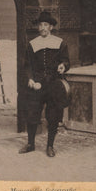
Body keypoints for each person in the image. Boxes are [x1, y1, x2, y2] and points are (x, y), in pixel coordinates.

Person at [19, 11, 70, 157]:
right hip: (37, 85)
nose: (42, 27)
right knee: (32, 113)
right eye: (40, 25)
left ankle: (50, 146)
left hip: (53, 84)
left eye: (46, 25)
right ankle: (30, 144)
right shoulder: (32, 44)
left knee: (53, 116)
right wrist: (30, 78)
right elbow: (27, 65)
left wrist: (63, 66)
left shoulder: (60, 43)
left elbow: (66, 61)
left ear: (51, 27)